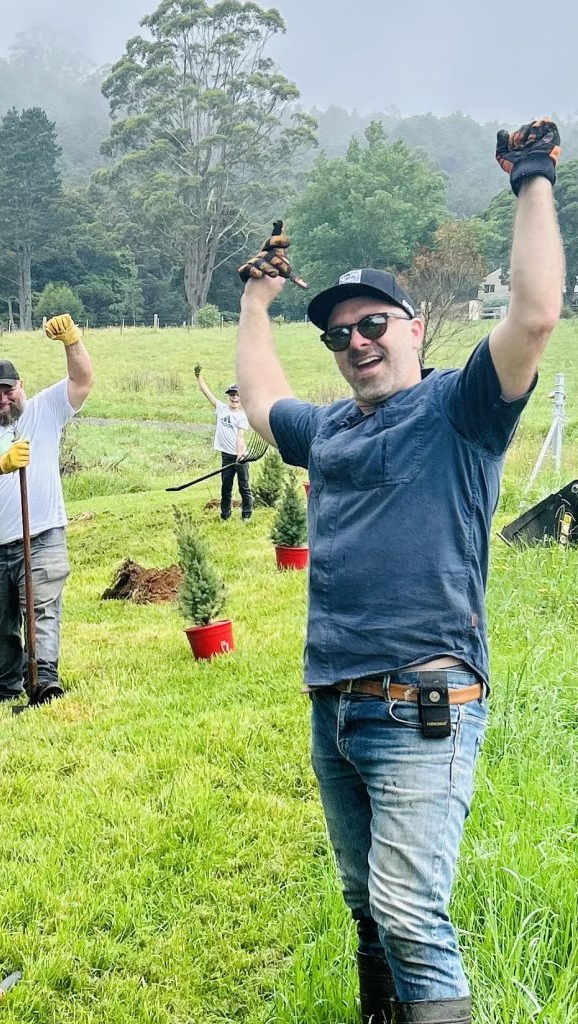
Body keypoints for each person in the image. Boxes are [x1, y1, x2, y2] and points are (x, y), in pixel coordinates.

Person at [235, 119, 564, 1024]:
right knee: (366, 909)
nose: (356, 343)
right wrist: (256, 305)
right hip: (334, 702)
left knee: (412, 914)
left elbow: (534, 315)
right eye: (340, 335)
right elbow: (263, 403)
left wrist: (531, 177)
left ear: (412, 328)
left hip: (424, 705)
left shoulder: (461, 410)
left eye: (372, 323)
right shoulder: (332, 428)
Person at [0, 313, 94, 706]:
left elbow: (82, 381)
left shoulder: (46, 408)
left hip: (44, 536)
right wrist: (3, 462)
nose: (3, 400)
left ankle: (44, 680)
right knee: (1, 625)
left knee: (42, 609)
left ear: (21, 387)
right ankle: (5, 687)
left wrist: (72, 342)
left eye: (8, 391)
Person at [194, 364, 253, 520]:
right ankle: (225, 515)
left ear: (241, 398)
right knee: (226, 488)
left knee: (244, 487)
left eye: (237, 395)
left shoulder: (241, 416)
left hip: (240, 456)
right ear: (228, 397)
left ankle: (246, 516)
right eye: (232, 395)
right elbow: (206, 392)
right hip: (226, 456)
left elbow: (240, 437)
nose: (234, 397)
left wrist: (240, 455)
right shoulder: (221, 408)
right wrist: (198, 377)